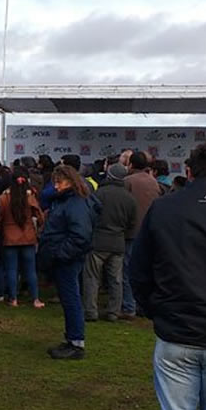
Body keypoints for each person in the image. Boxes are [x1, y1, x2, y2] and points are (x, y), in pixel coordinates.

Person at [131, 136, 206, 410]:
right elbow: (140, 271)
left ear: (189, 172)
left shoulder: (163, 209)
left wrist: (156, 310)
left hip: (183, 334)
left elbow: (138, 270)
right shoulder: (163, 208)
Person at [39, 165, 100, 360]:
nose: (56, 186)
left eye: (59, 182)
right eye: (54, 182)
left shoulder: (75, 203)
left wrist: (60, 254)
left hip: (67, 259)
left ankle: (76, 342)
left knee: (71, 298)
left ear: (70, 181)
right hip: (64, 256)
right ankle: (72, 339)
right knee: (69, 299)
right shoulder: (68, 201)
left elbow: (80, 236)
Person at [83, 164, 136, 323]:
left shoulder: (99, 194)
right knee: (116, 279)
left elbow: (89, 216)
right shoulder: (129, 198)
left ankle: (91, 311)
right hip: (118, 242)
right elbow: (132, 223)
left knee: (92, 278)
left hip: (98, 241)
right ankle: (113, 312)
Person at [0, 167, 45, 308]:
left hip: (9, 237)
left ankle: (13, 298)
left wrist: (0, 230)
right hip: (28, 236)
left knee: (11, 269)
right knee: (30, 270)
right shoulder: (30, 197)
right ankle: (35, 299)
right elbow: (40, 216)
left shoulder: (3, 198)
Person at [123, 151, 161, 320]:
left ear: (130, 164)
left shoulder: (127, 182)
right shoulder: (154, 182)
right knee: (147, 270)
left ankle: (129, 306)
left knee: (128, 270)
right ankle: (142, 305)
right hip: (150, 230)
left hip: (131, 232)